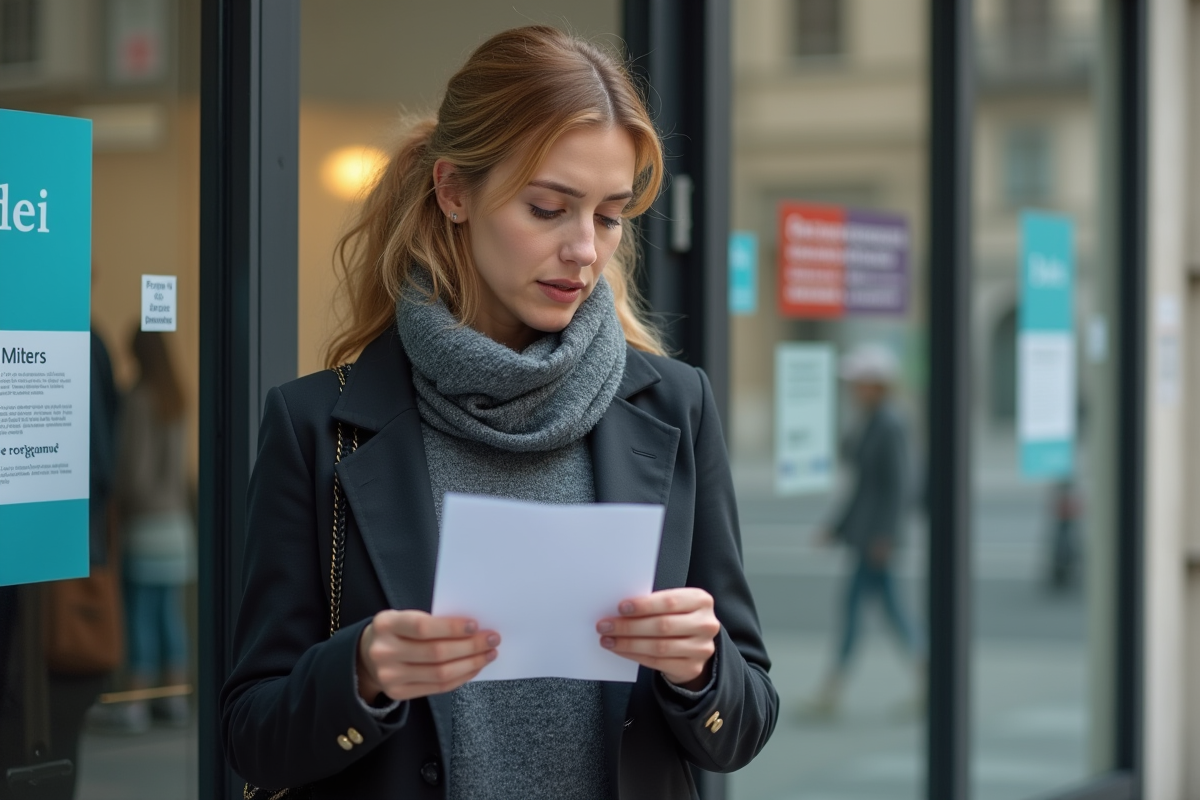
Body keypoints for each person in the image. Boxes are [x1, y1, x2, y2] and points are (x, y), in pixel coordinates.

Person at [220, 25, 777, 800]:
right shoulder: (315, 425)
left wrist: (701, 668)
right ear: (454, 192)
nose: (585, 249)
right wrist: (361, 672)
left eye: (609, 216)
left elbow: (743, 725)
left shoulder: (677, 407)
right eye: (548, 208)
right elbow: (251, 737)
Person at [803, 343, 923, 720]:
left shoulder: (890, 423)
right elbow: (862, 486)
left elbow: (899, 485)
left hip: (877, 541)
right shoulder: (873, 421)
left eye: (859, 382)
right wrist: (837, 528)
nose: (853, 389)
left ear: (877, 384)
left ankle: (831, 692)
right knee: (885, 611)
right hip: (869, 537)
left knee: (860, 613)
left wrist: (886, 536)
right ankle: (927, 682)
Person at [107, 329, 194, 731]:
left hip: (145, 526)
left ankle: (136, 705)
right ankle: (174, 699)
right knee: (168, 616)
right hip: (177, 527)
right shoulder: (176, 397)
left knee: (140, 615)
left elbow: (136, 475)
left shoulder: (139, 399)